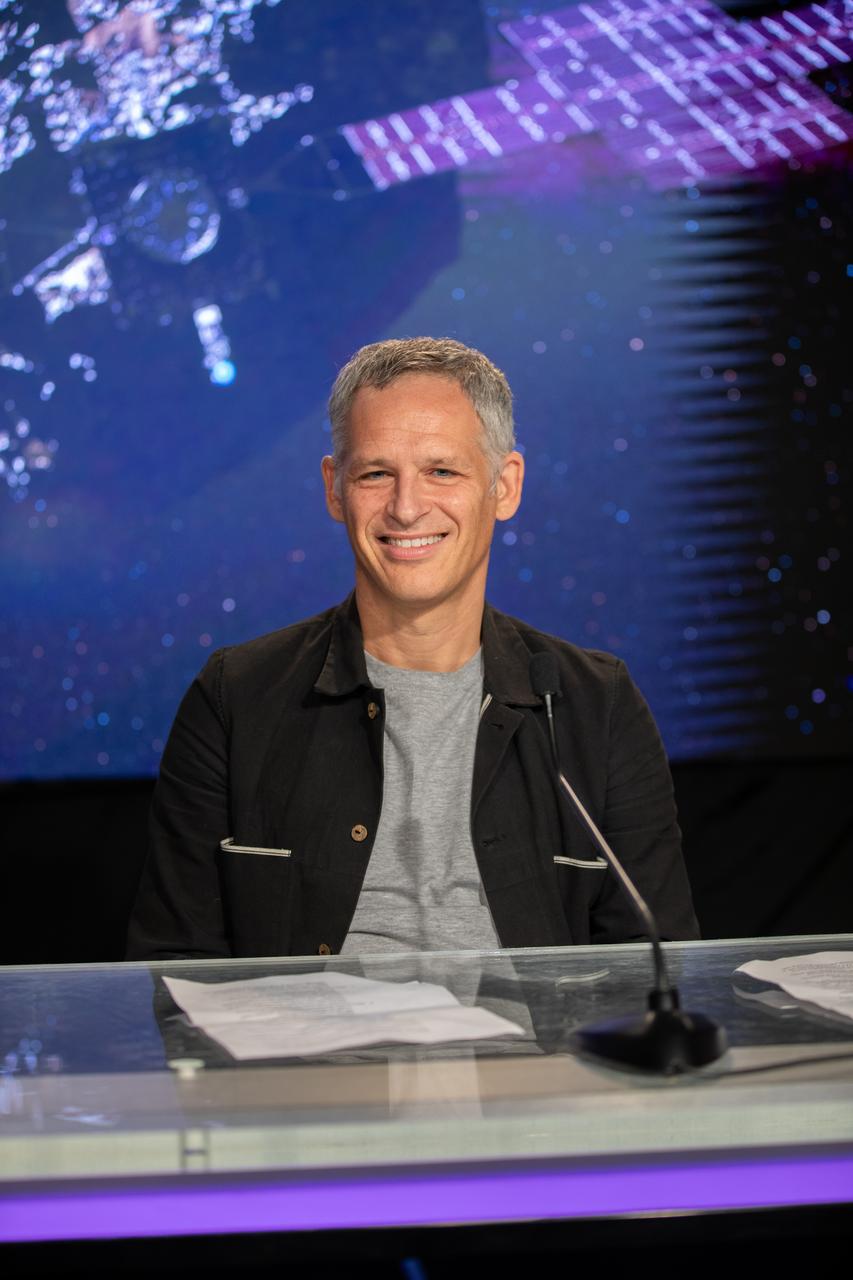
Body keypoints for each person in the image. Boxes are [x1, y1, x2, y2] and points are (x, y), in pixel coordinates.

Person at [127, 337, 699, 960]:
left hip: (532, 1057)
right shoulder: (235, 697)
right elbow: (173, 971)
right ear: (334, 490)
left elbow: (656, 969)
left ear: (504, 487)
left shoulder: (597, 706)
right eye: (376, 474)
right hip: (308, 1057)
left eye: (441, 471)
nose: (406, 507)